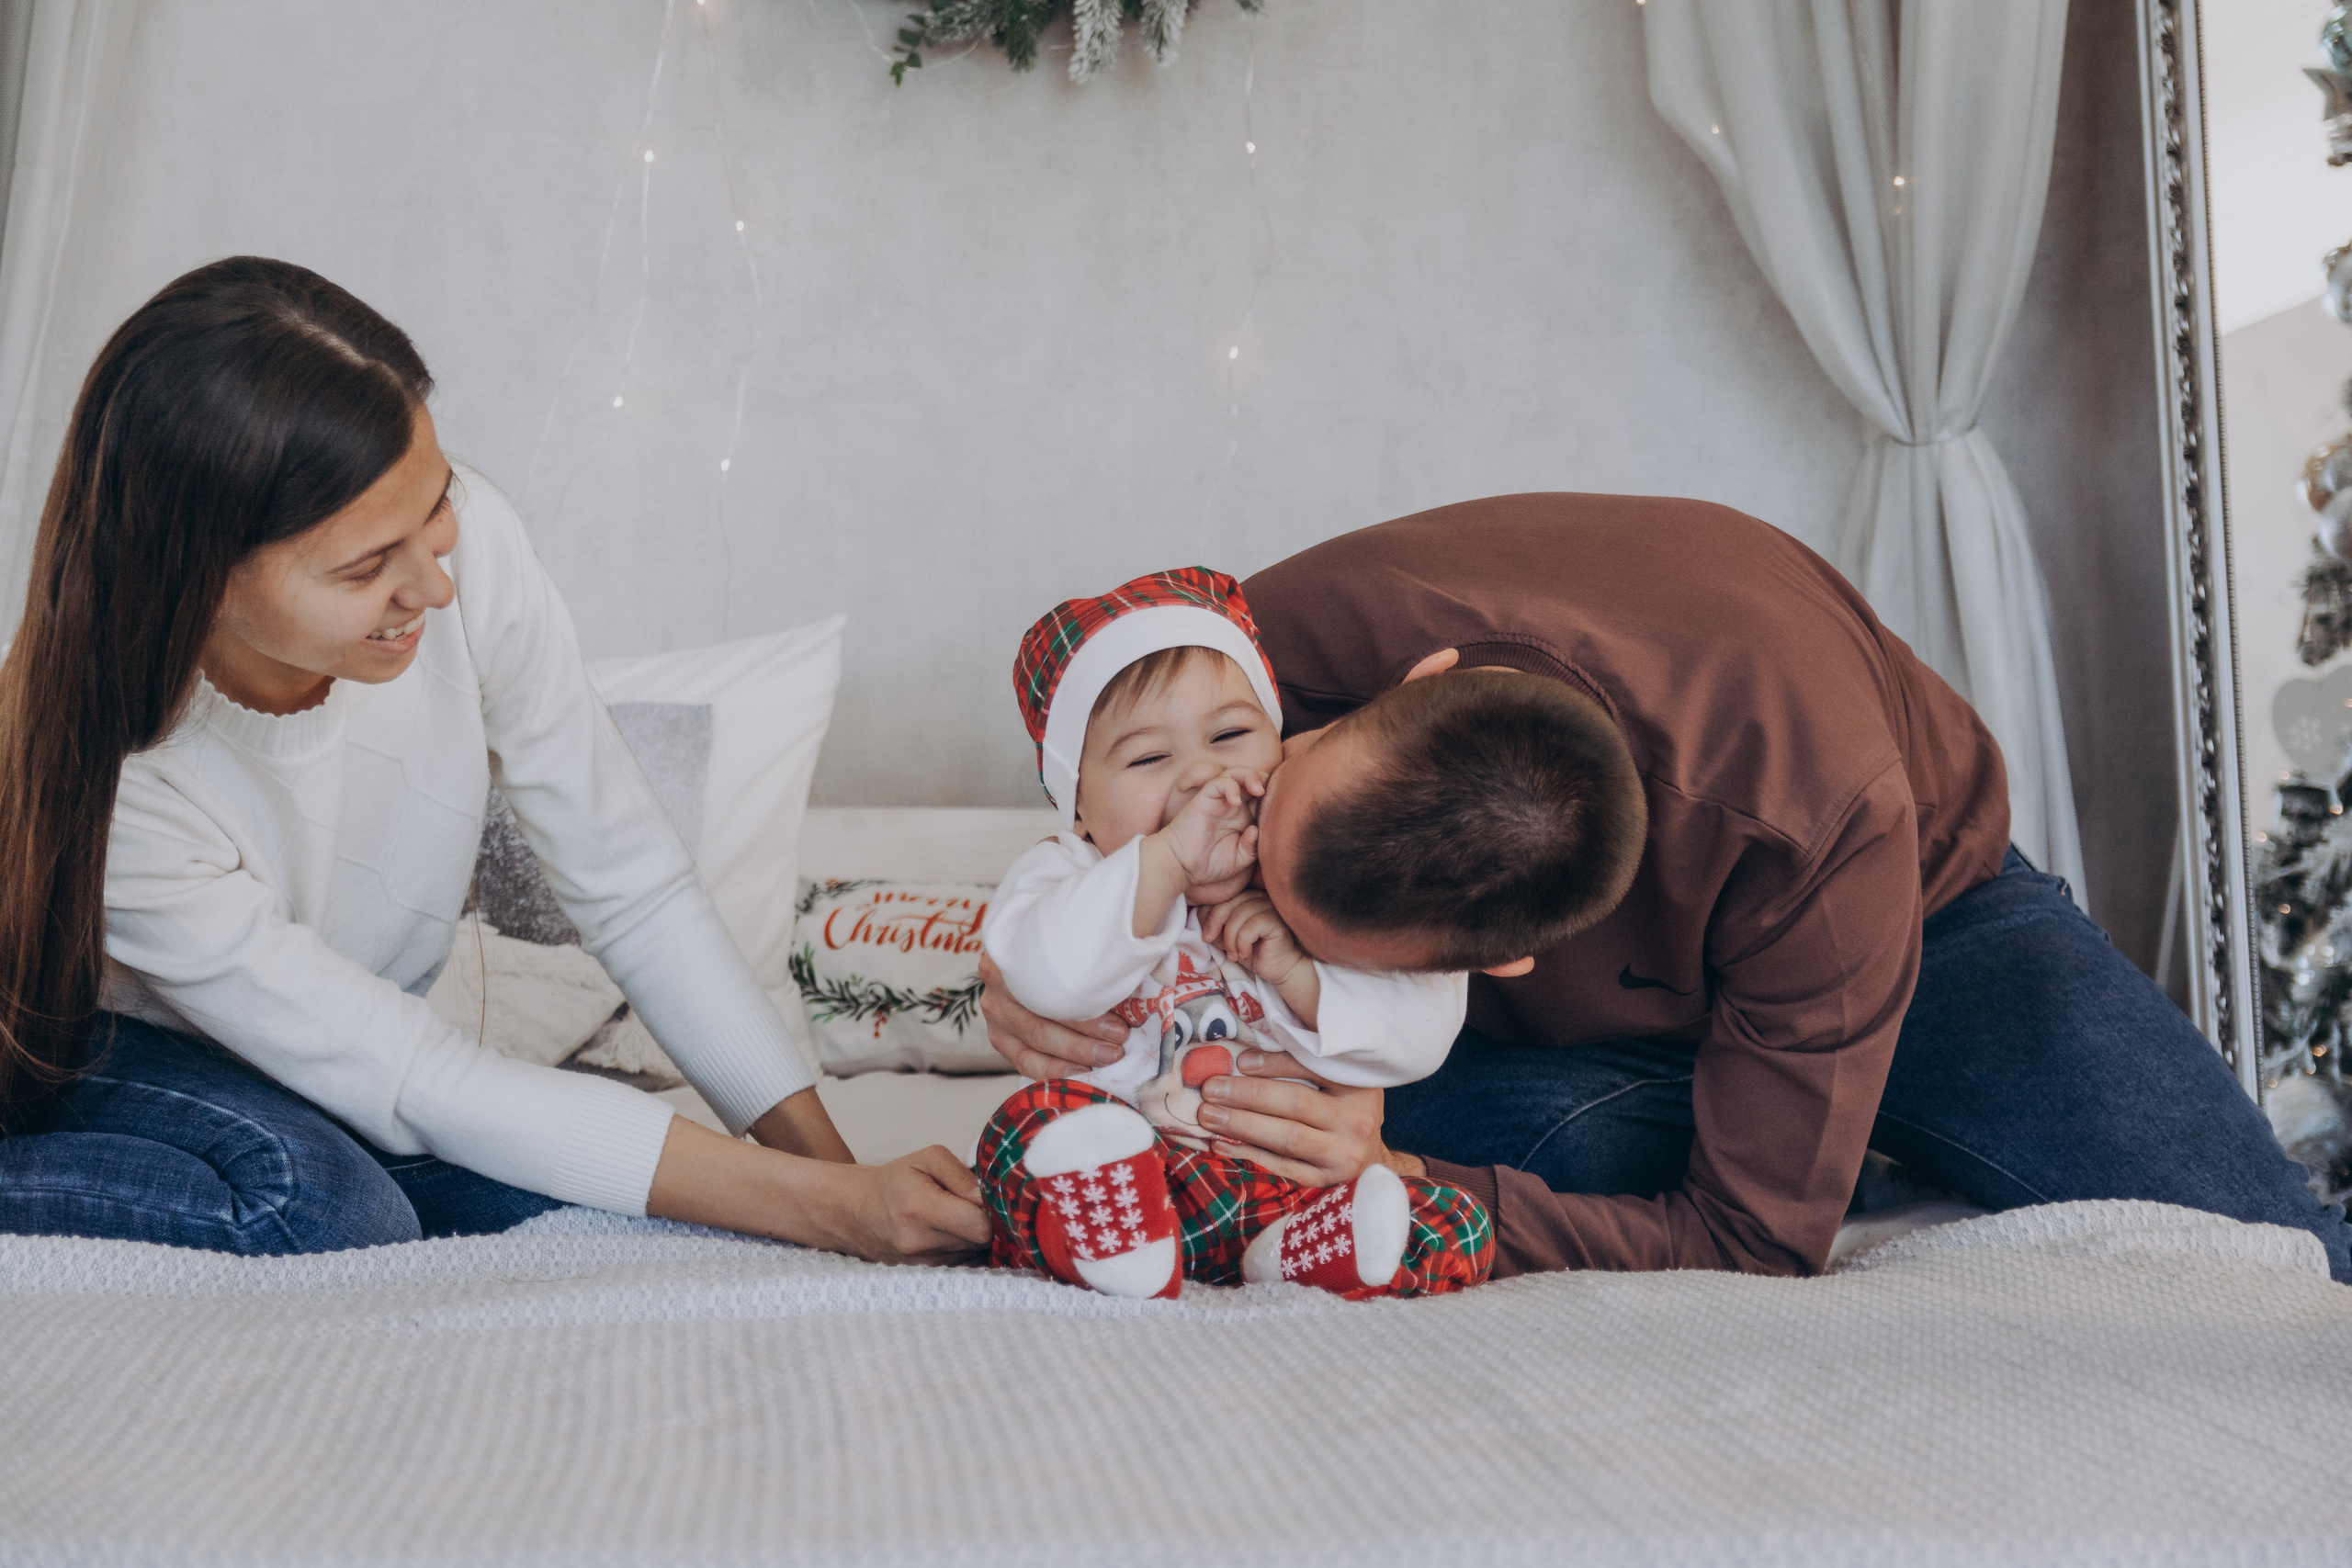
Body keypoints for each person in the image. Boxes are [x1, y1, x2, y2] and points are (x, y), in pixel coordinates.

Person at [980, 492, 2352, 1285]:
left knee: (2288, 1261)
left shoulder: (1832, 825)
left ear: (1500, 966)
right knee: (1239, 1114)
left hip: (1932, 925)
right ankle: (1800, 1115)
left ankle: (1834, 1109)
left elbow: (1752, 1242)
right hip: (1555, 1011)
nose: (1246, 907)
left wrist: (1409, 1171)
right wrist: (1034, 960)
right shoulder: (1283, 636)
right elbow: (1107, 760)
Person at [0, 256, 990, 1262]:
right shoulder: (135, 789)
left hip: (344, 1051)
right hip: (125, 1051)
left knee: (586, 1205)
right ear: (199, 572)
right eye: (362, 566)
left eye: (433, 508)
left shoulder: (471, 556)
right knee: (323, 1206)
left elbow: (631, 885)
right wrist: (830, 1211)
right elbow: (422, 1080)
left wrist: (836, 1183)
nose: (433, 584)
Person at [975, 568, 1495, 1299]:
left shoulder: (1310, 875)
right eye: (1149, 758)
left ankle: (1293, 1255)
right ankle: (1117, 1244)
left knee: (1457, 1224)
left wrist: (1296, 972)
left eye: (1230, 735)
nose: (1199, 775)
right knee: (1028, 1128)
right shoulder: (1067, 871)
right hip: (1128, 1167)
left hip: (1281, 1185)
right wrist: (1163, 863)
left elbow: (1417, 1038)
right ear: (1079, 807)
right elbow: (1042, 972)